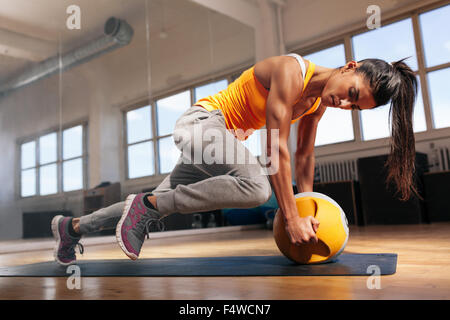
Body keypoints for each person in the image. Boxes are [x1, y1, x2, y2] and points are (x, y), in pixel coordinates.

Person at [51, 53, 418, 265]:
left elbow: (305, 156)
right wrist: (290, 218)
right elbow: (276, 150)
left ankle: (72, 228)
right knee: (257, 187)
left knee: (151, 206)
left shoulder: (316, 104)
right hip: (202, 125)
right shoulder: (292, 72)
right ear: (349, 67)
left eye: (355, 106)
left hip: (218, 147)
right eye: (352, 93)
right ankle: (148, 207)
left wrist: (309, 209)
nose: (346, 103)